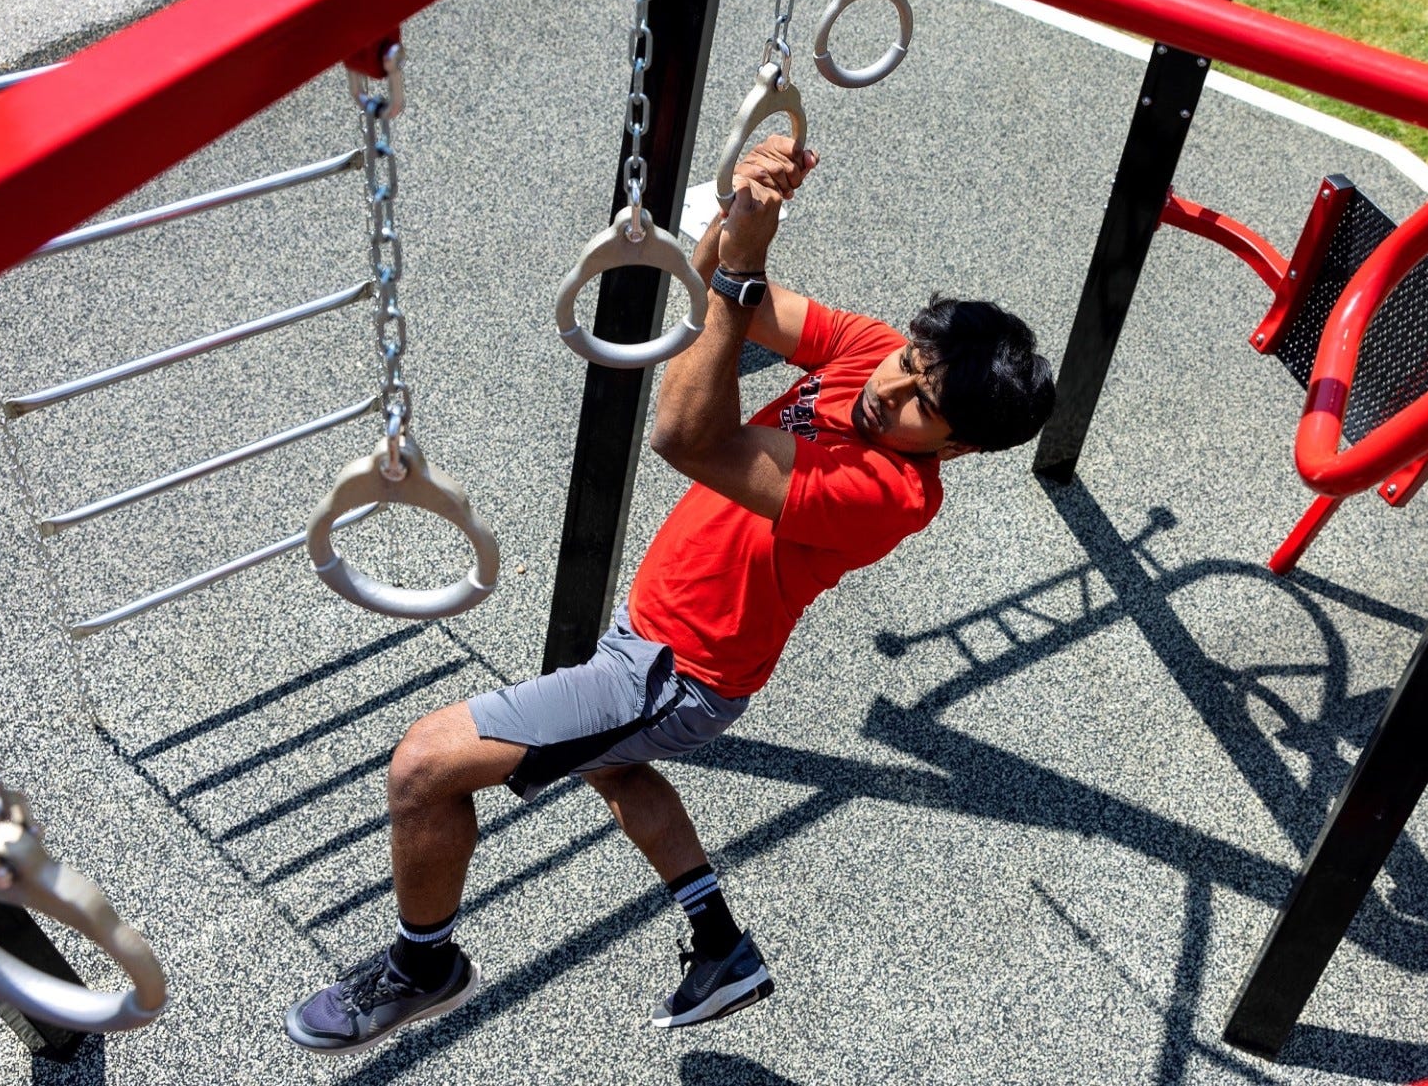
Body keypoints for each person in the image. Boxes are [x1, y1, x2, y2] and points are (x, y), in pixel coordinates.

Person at [284, 136, 1057, 1054]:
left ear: (958, 448)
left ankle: (423, 966)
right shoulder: (874, 354)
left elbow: (686, 436)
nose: (896, 389)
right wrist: (747, 208)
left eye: (927, 402)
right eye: (911, 365)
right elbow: (716, 289)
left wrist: (740, 272)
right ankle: (720, 945)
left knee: (424, 764)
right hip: (660, 643)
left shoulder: (891, 494)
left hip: (675, 672)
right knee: (613, 764)